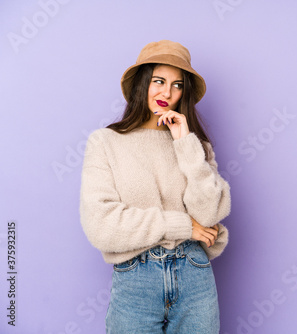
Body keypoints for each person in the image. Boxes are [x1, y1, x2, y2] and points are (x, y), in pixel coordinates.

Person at [79, 40, 231, 333]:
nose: (167, 93)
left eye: (177, 85)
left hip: (194, 274)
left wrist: (185, 143)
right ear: (141, 83)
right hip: (136, 279)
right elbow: (102, 225)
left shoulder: (195, 146)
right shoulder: (105, 142)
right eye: (158, 81)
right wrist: (184, 225)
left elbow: (210, 212)